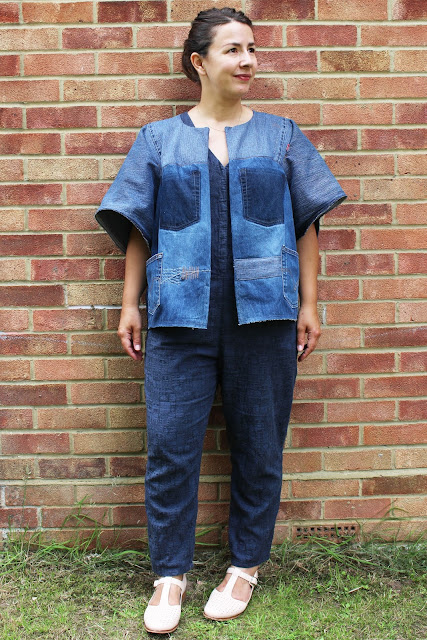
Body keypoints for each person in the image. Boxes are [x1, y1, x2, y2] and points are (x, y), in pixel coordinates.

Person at [95, 7, 347, 634]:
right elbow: (139, 227)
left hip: (265, 316)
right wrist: (130, 304)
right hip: (178, 317)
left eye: (252, 48)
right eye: (233, 49)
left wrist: (309, 304)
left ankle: (245, 565)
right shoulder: (159, 139)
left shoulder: (282, 136)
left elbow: (306, 225)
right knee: (171, 448)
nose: (248, 60)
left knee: (259, 446)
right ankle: (169, 575)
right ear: (199, 62)